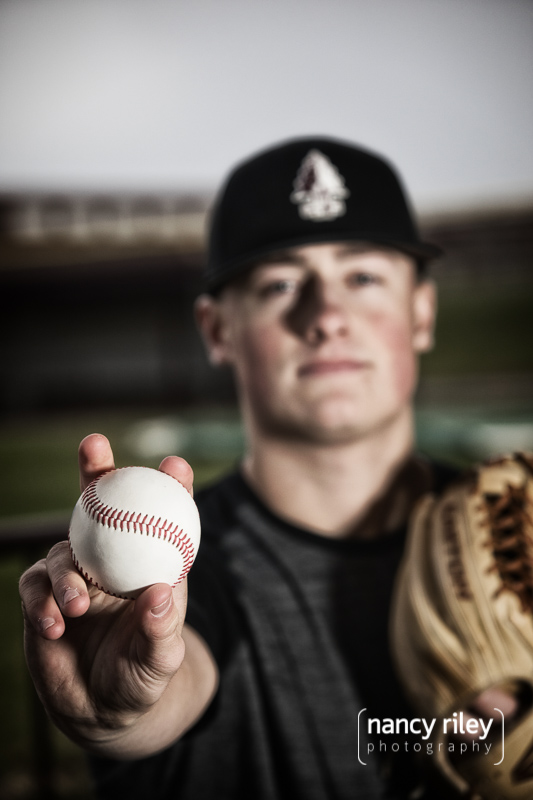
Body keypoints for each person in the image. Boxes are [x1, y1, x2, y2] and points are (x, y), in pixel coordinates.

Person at [19, 137, 460, 799]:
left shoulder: (513, 528)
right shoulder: (187, 572)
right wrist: (125, 709)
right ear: (216, 328)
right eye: (280, 283)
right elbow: (179, 672)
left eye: (363, 276)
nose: (327, 316)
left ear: (421, 310)